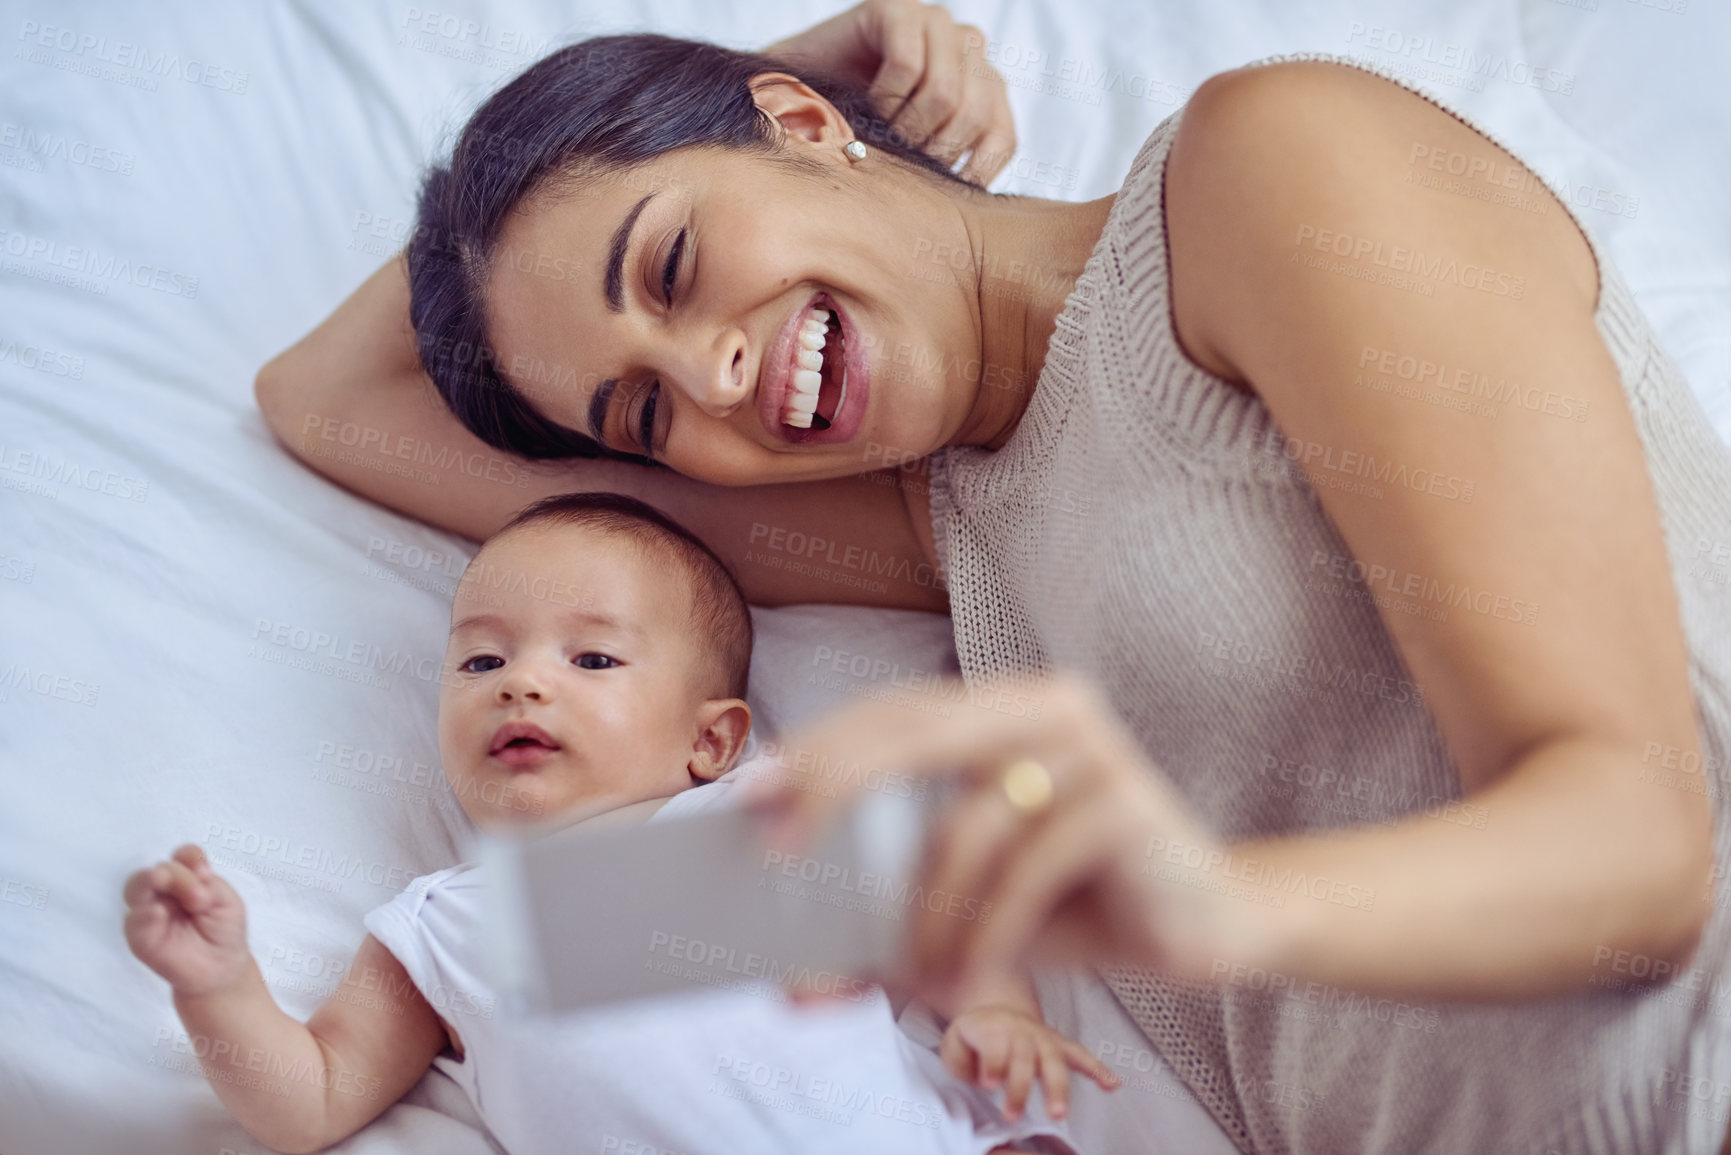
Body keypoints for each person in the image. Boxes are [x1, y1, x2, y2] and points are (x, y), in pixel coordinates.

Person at [250, 8, 1731, 1153]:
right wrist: (764, 82)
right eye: (645, 415)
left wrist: (1198, 903)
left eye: (679, 259)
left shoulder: (1270, 168)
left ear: (798, 124)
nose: (709, 372)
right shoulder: (944, 536)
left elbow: (1639, 852)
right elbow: (322, 399)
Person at [123, 492, 1118, 1155]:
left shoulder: (761, 815)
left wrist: (999, 1010)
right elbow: (312, 1097)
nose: (521, 683)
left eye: (592, 661)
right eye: (481, 663)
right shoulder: (442, 927)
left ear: (712, 740)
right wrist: (220, 990)